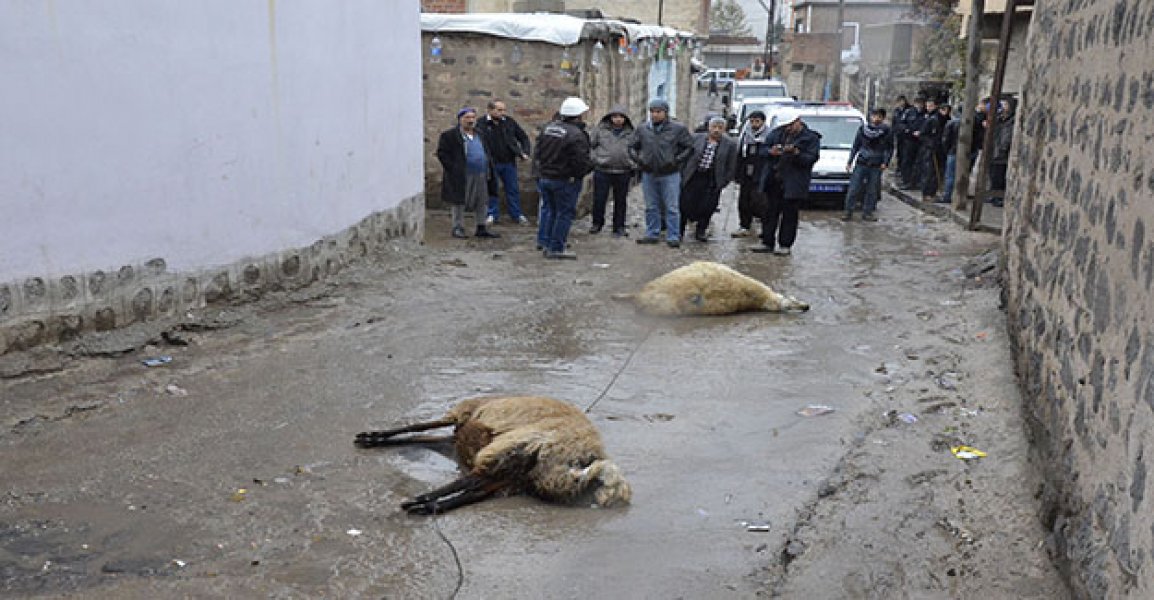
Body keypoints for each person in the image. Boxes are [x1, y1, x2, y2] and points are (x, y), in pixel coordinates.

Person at [751, 108, 820, 255]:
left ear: (798, 121)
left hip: (793, 182)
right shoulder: (776, 134)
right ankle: (767, 241)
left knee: (789, 215)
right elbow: (762, 150)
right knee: (769, 213)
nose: (788, 129)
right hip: (774, 180)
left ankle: (785, 244)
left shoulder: (811, 138)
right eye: (785, 126)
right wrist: (771, 152)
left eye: (790, 125)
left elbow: (811, 159)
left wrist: (796, 154)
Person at [534, 97, 594, 259]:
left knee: (548, 209)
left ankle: (544, 241)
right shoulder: (576, 135)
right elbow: (580, 161)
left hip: (545, 176)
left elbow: (538, 153)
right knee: (564, 213)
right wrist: (585, 171)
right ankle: (556, 247)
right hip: (565, 179)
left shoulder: (548, 128)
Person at [630, 98, 695, 248]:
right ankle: (652, 232)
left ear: (665, 113)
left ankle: (673, 235)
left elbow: (689, 147)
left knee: (672, 206)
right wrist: (639, 160)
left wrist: (676, 160)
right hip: (649, 173)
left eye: (658, 112)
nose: (655, 115)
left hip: (670, 173)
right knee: (651, 205)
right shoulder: (643, 129)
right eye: (652, 112)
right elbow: (632, 146)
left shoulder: (678, 129)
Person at [435, 107, 501, 240]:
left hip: (481, 173)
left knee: (482, 200)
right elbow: (442, 153)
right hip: (462, 175)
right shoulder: (450, 135)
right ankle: (457, 227)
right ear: (460, 119)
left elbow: (488, 151)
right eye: (467, 118)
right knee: (459, 201)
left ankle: (481, 227)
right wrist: (453, 168)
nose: (470, 120)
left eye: (472, 117)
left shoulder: (481, 134)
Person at [679, 116, 737, 242]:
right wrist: (682, 173)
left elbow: (731, 165)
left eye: (720, 128)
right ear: (708, 128)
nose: (716, 130)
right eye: (714, 127)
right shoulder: (696, 138)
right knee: (685, 204)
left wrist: (724, 181)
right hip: (694, 175)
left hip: (712, 178)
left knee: (708, 206)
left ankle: (701, 230)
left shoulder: (730, 144)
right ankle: (679, 231)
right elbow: (685, 156)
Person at [475, 100, 532, 227]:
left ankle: (516, 214)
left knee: (512, 189)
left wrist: (524, 152)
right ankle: (492, 214)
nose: (502, 113)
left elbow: (523, 137)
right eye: (499, 110)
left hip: (508, 161)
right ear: (490, 110)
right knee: (492, 189)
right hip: (491, 163)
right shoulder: (481, 124)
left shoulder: (509, 122)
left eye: (503, 110)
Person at [588, 106, 636, 236]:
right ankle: (597, 223)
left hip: (623, 171)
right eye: (615, 117)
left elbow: (637, 149)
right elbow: (591, 145)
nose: (618, 120)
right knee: (599, 199)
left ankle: (619, 226)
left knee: (621, 200)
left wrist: (632, 162)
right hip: (603, 169)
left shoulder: (631, 133)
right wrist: (595, 159)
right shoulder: (600, 131)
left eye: (620, 117)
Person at [843, 108, 893, 221]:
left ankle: (868, 212)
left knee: (872, 190)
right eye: (874, 116)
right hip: (861, 163)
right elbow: (856, 146)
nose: (876, 119)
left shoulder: (886, 131)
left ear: (882, 118)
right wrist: (850, 161)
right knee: (853, 189)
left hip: (876, 164)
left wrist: (886, 162)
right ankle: (848, 212)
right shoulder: (863, 129)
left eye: (879, 116)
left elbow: (889, 148)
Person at [732, 110, 771, 238]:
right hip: (746, 174)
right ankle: (744, 225)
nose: (754, 124)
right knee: (744, 201)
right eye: (752, 121)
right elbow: (739, 154)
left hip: (761, 175)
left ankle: (765, 228)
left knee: (760, 202)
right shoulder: (745, 134)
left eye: (757, 121)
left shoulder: (769, 135)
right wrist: (737, 173)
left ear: (763, 122)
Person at [916, 98, 948, 202]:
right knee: (929, 172)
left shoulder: (947, 120)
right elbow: (922, 135)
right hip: (930, 150)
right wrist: (930, 144)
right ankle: (926, 193)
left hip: (941, 149)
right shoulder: (932, 120)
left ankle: (933, 192)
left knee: (937, 171)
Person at [988, 100, 1014, 207]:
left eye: (1006, 104)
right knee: (994, 176)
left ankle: (999, 197)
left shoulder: (1011, 121)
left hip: (1003, 152)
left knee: (1000, 176)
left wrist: (1004, 148)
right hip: (995, 150)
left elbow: (1007, 136)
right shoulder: (998, 119)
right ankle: (994, 195)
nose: (1003, 107)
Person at [938, 105, 961, 205]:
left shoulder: (952, 123)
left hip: (953, 151)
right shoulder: (972, 122)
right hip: (966, 153)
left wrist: (946, 150)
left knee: (950, 175)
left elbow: (945, 139)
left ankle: (947, 196)